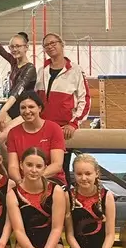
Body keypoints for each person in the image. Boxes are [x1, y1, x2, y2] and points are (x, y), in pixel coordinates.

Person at [7, 147, 68, 248]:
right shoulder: (13, 194)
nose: (33, 170)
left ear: (45, 168)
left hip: (52, 244)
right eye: (29, 165)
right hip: (25, 245)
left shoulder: (56, 191)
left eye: (38, 166)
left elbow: (57, 228)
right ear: (21, 165)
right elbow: (19, 230)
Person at [36, 32, 91, 182]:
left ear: (62, 44)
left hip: (63, 129)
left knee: (60, 169)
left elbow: (85, 99)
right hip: (43, 127)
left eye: (53, 43)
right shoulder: (42, 71)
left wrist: (74, 123)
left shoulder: (75, 70)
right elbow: (36, 101)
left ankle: (64, 194)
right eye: (46, 45)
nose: (50, 46)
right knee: (41, 167)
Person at [65, 154, 115, 248]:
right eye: (79, 174)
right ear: (74, 174)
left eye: (88, 173)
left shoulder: (107, 196)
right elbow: (69, 234)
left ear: (96, 173)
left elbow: (110, 234)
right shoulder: (68, 196)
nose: (83, 178)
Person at [0, 29, 36, 142]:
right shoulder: (14, 63)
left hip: (25, 112)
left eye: (18, 46)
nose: (14, 49)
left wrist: (3, 110)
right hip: (11, 109)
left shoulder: (30, 68)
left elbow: (18, 90)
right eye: (12, 47)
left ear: (26, 47)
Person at [7, 91, 66, 186]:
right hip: (23, 182)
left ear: (39, 108)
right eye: (23, 108)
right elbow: (13, 166)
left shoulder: (54, 128)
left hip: (51, 180)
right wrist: (20, 182)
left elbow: (57, 164)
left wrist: (35, 178)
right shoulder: (13, 133)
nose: (27, 111)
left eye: (31, 107)